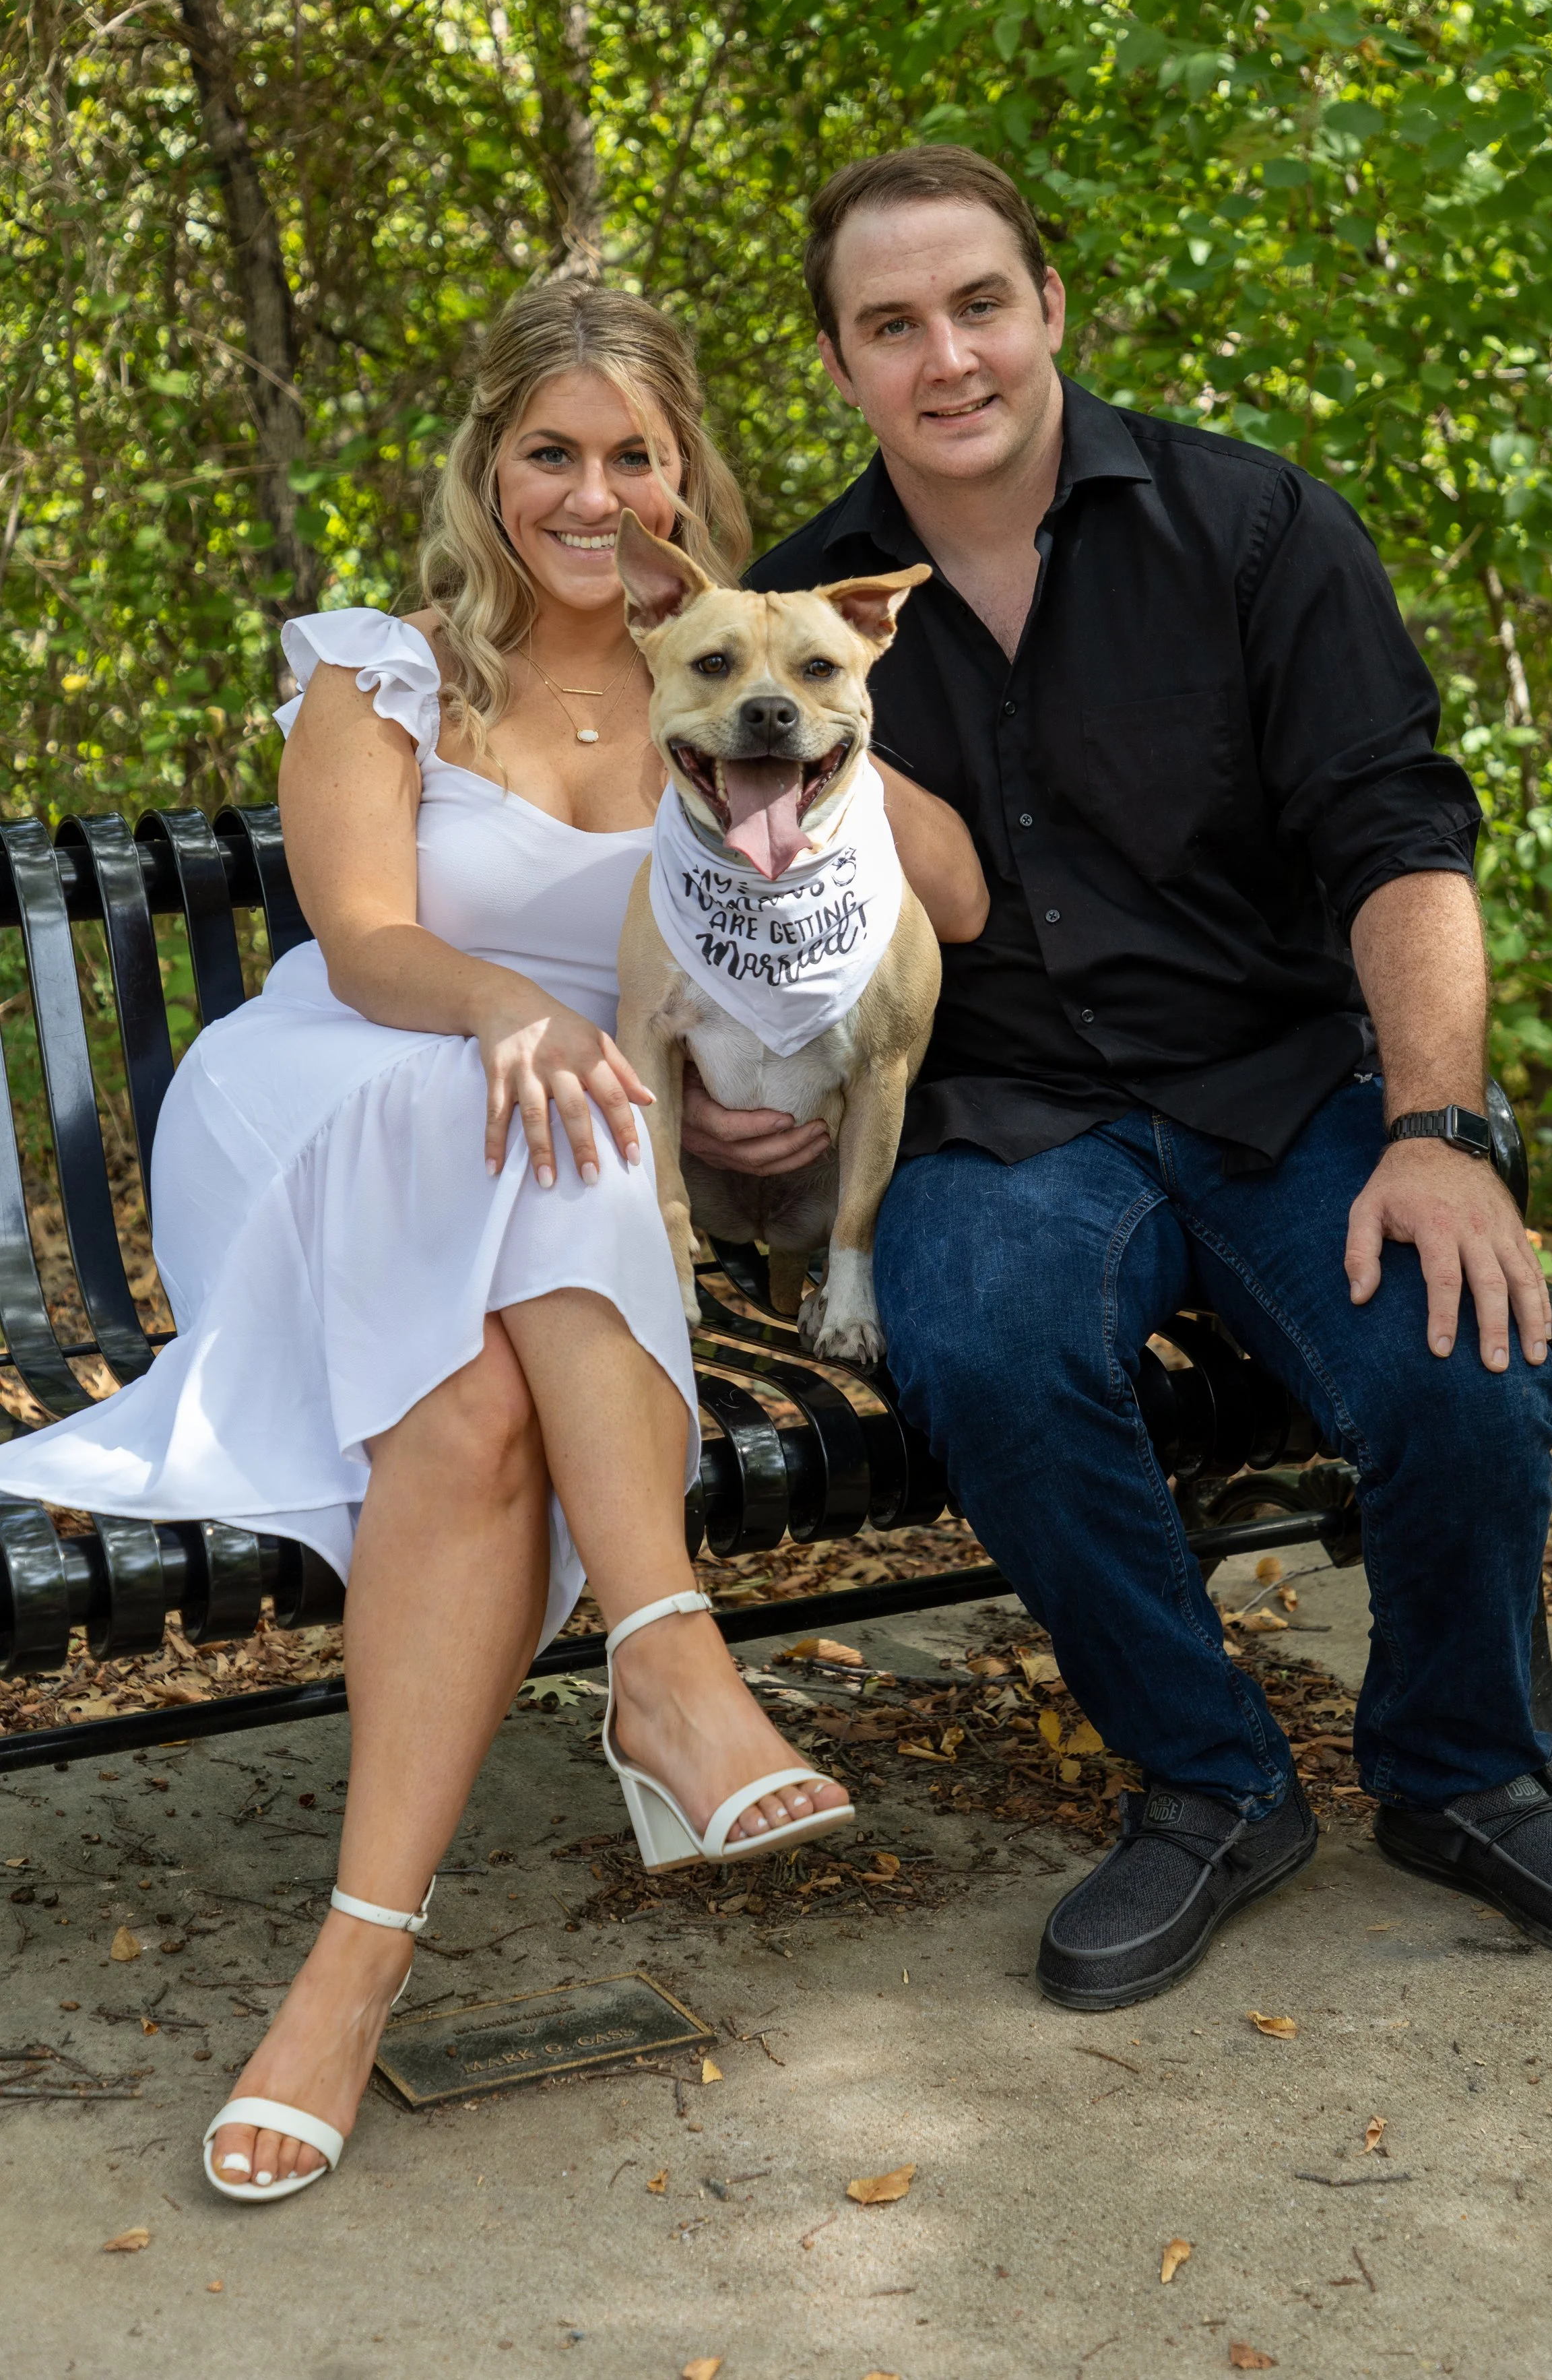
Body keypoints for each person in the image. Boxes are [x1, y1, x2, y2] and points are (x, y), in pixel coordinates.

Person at [0, 280, 987, 2195]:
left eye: (635, 454)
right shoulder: (389, 670)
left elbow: (937, 887)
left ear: (686, 472)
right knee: (554, 1101)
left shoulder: (742, 666)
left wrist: (819, 730)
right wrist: (517, 1013)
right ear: (489, 463)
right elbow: (366, 943)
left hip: (569, 1159)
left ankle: (348, 1974)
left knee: (470, 1420)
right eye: (553, 451)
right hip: (347, 1092)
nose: (593, 492)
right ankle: (673, 1662)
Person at [681, 145, 1552, 2006]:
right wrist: (721, 1107)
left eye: (980, 302)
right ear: (837, 363)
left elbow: (1398, 834)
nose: (948, 355)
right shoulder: (798, 623)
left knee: (1468, 1360)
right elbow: (721, 908)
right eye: (891, 324)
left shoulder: (1248, 529)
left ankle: (1461, 1773)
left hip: (1281, 1083)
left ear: (1047, 307)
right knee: (979, 1343)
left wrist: (1441, 1128)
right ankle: (1210, 1782)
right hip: (1001, 1112)